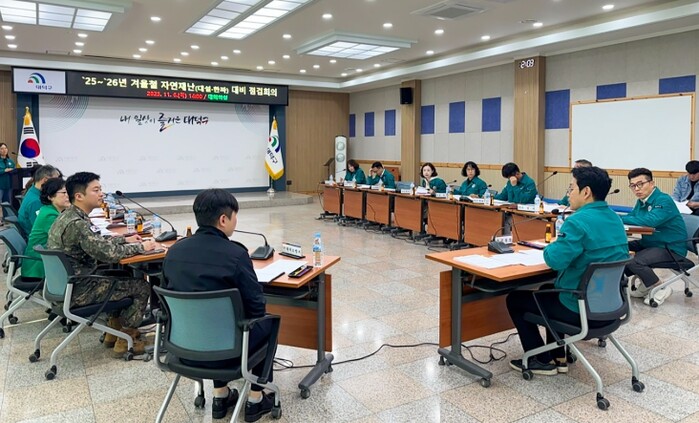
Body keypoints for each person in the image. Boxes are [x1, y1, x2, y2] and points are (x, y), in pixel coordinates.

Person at [162, 189, 275, 422]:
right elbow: (257, 309)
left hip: (182, 351)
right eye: (235, 216)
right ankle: (256, 399)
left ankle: (220, 396)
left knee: (210, 321)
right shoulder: (236, 254)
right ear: (224, 219)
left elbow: (165, 301)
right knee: (269, 323)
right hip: (227, 352)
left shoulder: (174, 252)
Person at [507, 166, 629, 375]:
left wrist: (552, 245)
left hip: (580, 310)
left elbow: (554, 260)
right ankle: (559, 356)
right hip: (611, 307)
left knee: (515, 299)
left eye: (571, 188)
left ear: (586, 192)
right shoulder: (615, 218)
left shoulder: (577, 221)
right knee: (546, 289)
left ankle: (539, 359)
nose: (568, 193)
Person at [47, 172, 157, 357]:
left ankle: (113, 333)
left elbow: (96, 242)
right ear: (79, 196)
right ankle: (126, 340)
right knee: (141, 286)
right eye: (96, 190)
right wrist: (142, 247)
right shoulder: (77, 224)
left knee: (122, 276)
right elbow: (108, 254)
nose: (102, 194)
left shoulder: (70, 216)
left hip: (68, 286)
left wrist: (124, 239)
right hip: (80, 291)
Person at [622, 168, 686, 305]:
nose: (636, 189)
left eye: (640, 184)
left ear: (652, 183)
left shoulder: (663, 200)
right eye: (633, 186)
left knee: (634, 261)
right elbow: (632, 217)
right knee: (618, 248)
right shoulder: (642, 201)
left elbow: (650, 221)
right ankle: (646, 284)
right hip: (651, 243)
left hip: (670, 247)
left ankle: (660, 286)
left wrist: (618, 219)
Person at [21, 178, 70, 278]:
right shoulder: (50, 215)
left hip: (45, 262)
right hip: (38, 269)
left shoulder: (48, 210)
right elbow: (68, 239)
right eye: (64, 193)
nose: (68, 196)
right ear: (50, 197)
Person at [18, 164, 61, 235]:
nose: (57, 185)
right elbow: (41, 228)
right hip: (37, 239)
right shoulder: (36, 202)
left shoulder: (32, 191)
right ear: (45, 180)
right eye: (55, 181)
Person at [0, 143, 16, 207]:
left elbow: (15, 170)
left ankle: (6, 214)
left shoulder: (10, 161)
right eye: (2, 148)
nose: (4, 150)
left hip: (9, 185)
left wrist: (13, 170)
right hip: (1, 185)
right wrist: (4, 170)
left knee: (8, 203)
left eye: (5, 148)